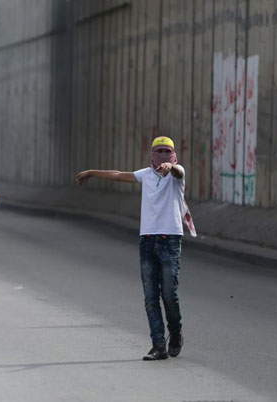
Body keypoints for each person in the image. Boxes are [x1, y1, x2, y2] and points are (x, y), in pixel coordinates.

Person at [75, 136, 196, 361]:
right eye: (158, 151)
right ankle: (159, 345)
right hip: (148, 241)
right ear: (151, 154)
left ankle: (176, 332)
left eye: (166, 151)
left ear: (173, 154)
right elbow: (118, 175)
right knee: (151, 296)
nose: (162, 155)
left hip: (170, 240)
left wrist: (171, 167)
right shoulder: (146, 175)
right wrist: (92, 172)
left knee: (169, 294)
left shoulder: (177, 175)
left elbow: (177, 170)